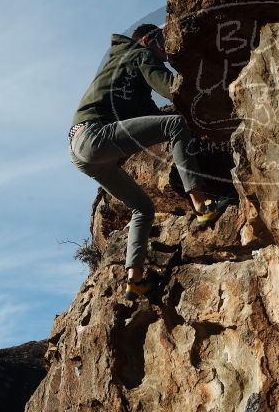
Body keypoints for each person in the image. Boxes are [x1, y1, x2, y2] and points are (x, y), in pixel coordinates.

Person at [69, 24, 231, 300]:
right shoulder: (138, 54)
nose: (166, 50)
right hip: (95, 135)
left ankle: (136, 280)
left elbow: (152, 117)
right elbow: (170, 89)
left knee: (143, 208)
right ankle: (203, 205)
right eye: (162, 43)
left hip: (80, 151)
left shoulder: (120, 67)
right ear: (147, 40)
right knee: (177, 125)